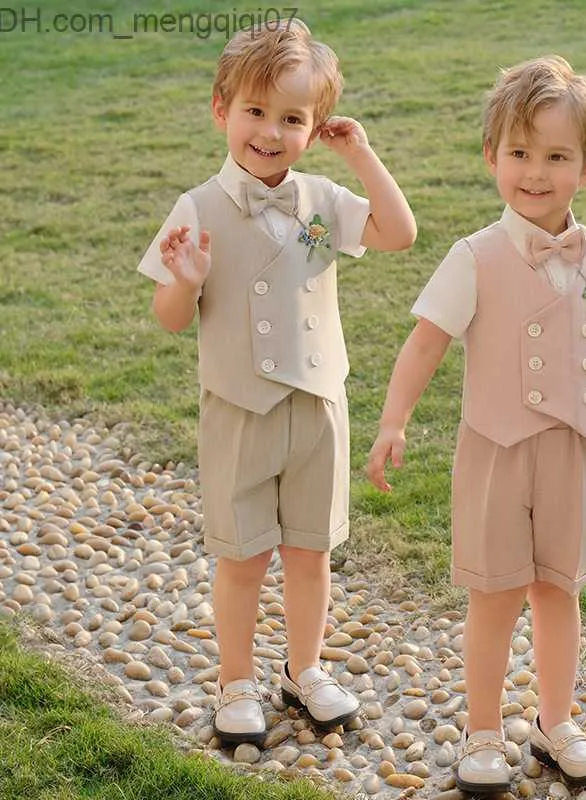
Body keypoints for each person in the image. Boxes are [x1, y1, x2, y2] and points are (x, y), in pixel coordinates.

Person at [367, 55, 586, 793]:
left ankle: (558, 722)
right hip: (495, 450)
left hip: (578, 448)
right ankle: (485, 731)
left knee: (560, 591)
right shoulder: (475, 257)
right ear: (491, 155)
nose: (535, 172)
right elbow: (426, 340)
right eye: (520, 153)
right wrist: (394, 419)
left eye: (556, 156)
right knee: (494, 595)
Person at [137, 18, 416, 746]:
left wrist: (362, 157)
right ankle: (236, 682)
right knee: (242, 555)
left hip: (319, 403)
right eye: (255, 111)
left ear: (314, 126)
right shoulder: (196, 208)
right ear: (221, 109)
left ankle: (304, 669)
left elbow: (399, 232)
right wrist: (185, 280)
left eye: (292, 118)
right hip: (239, 409)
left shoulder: (322, 201)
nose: (269, 131)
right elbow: (169, 318)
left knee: (309, 550)